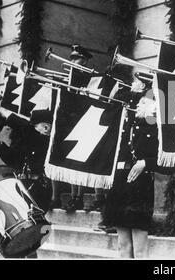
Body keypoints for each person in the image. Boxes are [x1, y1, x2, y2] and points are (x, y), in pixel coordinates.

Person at [102, 73, 165, 258]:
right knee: (123, 245)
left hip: (140, 183)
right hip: (120, 181)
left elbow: (166, 160)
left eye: (143, 100)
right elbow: (105, 118)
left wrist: (146, 163)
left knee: (140, 247)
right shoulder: (124, 122)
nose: (138, 103)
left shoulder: (155, 127)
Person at [0, 102, 54, 259]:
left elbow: (25, 127)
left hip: (38, 189)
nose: (30, 129)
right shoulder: (31, 141)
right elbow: (15, 160)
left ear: (46, 127)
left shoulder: (45, 140)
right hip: (24, 187)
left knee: (29, 233)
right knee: (23, 235)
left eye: (35, 126)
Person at [60, 44, 94, 213]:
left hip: (84, 121)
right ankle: (73, 196)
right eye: (72, 58)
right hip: (70, 121)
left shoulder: (90, 77)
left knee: (79, 160)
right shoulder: (70, 76)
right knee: (71, 161)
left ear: (85, 61)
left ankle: (79, 197)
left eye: (77, 59)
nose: (73, 61)